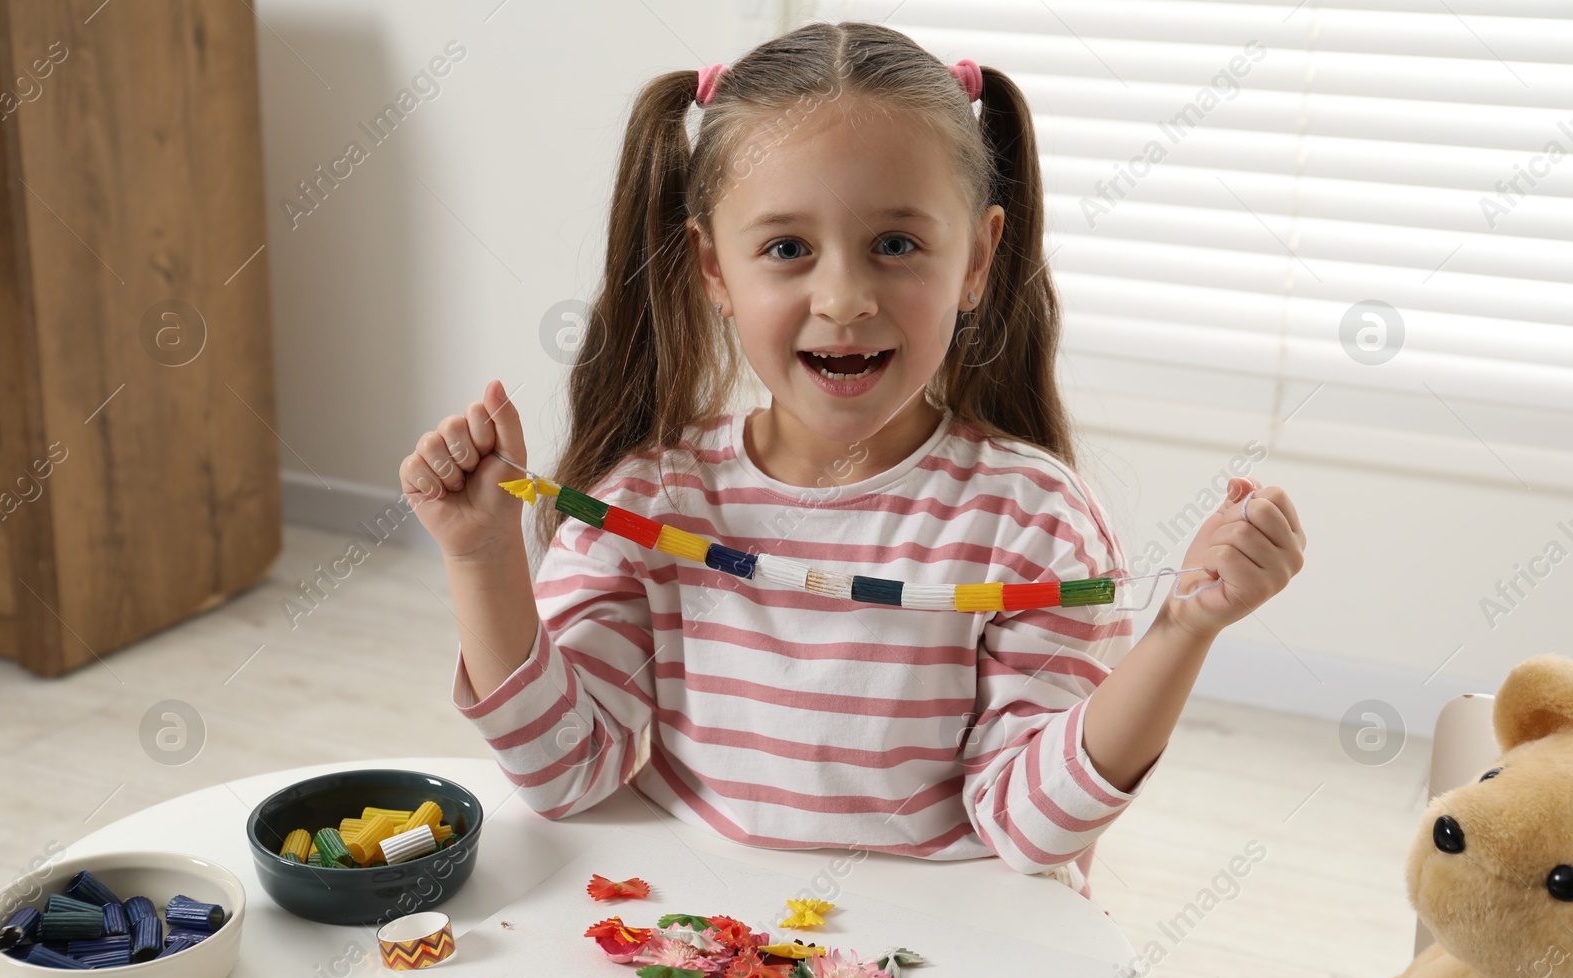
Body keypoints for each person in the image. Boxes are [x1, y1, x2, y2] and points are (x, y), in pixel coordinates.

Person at [398, 21, 1306, 898]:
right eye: (787, 248)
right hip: (708, 943)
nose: (843, 297)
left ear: (980, 260)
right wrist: (482, 559)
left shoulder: (1036, 523)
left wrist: (1183, 630)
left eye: (897, 245)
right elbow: (564, 771)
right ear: (714, 270)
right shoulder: (651, 498)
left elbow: (1034, 827)